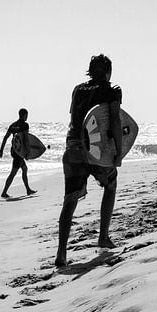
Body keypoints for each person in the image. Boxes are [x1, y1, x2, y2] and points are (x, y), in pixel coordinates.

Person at [55, 54, 123, 267]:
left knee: (70, 200)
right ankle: (103, 237)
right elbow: (114, 119)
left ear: (90, 71)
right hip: (97, 149)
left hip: (74, 146)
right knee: (111, 183)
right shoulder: (112, 90)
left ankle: (61, 253)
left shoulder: (77, 90)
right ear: (108, 72)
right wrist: (119, 152)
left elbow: (77, 118)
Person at [0, 108, 37, 198]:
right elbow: (25, 139)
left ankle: (28, 189)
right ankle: (4, 192)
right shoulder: (25, 125)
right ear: (24, 115)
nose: (27, 117)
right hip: (20, 152)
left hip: (14, 151)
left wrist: (1, 150)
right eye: (27, 115)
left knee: (24, 168)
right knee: (13, 173)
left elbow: (5, 137)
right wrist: (27, 152)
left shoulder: (13, 125)